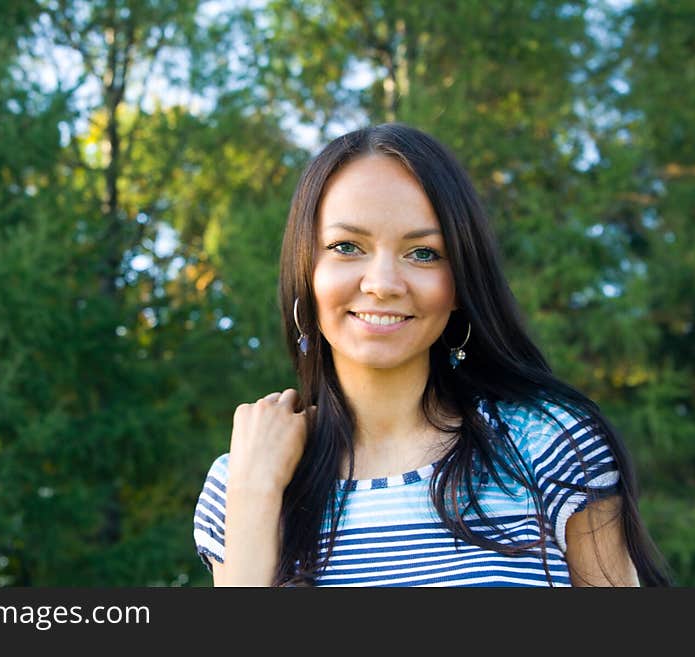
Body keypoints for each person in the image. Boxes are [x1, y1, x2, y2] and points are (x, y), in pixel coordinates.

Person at [193, 123, 670, 587]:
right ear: (305, 271)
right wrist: (255, 497)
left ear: (461, 282)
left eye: (423, 253)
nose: (381, 283)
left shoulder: (548, 444)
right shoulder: (242, 479)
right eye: (346, 247)